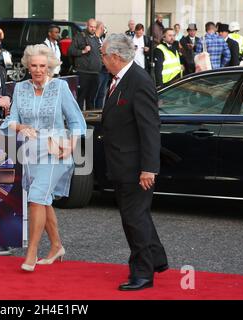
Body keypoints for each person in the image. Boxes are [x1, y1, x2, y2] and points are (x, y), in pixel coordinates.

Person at [0, 44, 86, 272]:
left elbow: (77, 121)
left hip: (56, 150)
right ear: (28, 66)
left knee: (37, 197)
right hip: (30, 153)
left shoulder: (60, 87)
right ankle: (57, 246)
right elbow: (9, 122)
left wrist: (72, 146)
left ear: (50, 67)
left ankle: (31, 253)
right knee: (43, 198)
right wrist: (19, 126)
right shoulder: (20, 88)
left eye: (43, 66)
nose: (38, 70)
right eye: (34, 66)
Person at [100, 33, 168, 291]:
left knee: (134, 219)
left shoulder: (138, 81)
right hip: (122, 163)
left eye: (104, 55)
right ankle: (157, 259)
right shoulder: (120, 79)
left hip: (135, 167)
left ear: (115, 57)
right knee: (138, 216)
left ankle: (142, 273)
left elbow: (150, 127)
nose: (103, 59)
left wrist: (149, 168)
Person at [68, 18, 102, 110]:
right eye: (91, 27)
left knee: (91, 99)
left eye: (95, 27)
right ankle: (79, 122)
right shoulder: (80, 36)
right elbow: (71, 51)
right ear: (87, 26)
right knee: (80, 98)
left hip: (95, 73)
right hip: (83, 72)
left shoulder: (96, 38)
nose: (93, 29)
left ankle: (90, 122)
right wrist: (83, 51)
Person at [94, 21, 110, 109]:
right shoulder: (94, 39)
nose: (104, 30)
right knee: (96, 92)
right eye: (103, 28)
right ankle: (94, 111)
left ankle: (99, 111)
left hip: (105, 68)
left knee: (102, 93)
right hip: (99, 69)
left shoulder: (102, 39)